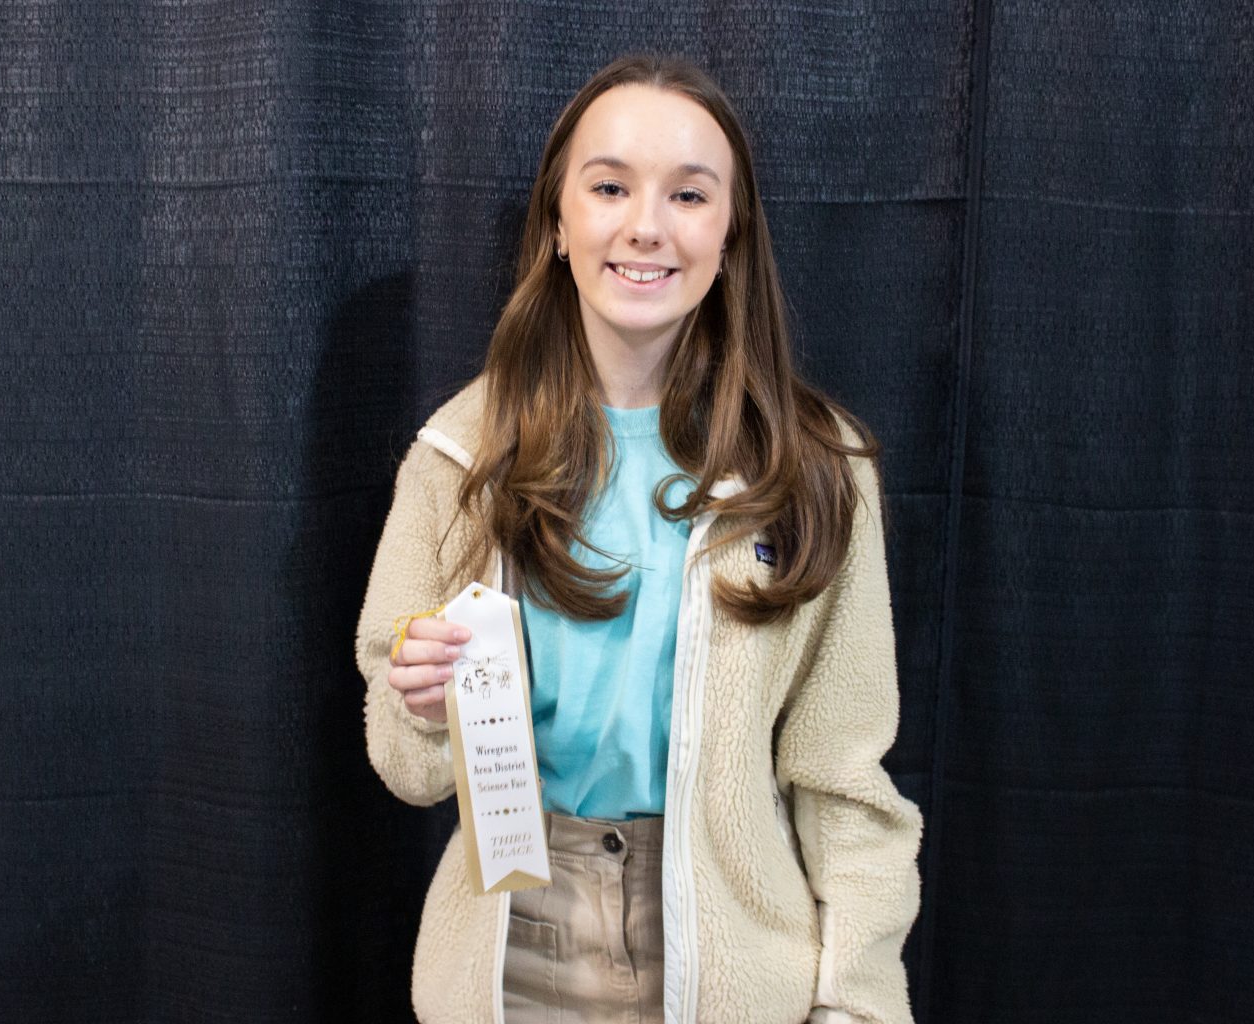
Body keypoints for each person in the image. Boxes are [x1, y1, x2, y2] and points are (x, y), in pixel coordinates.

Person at [355, 52, 922, 1024]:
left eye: (689, 195)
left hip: (734, 971)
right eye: (610, 186)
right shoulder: (459, 458)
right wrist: (419, 703)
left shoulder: (817, 472)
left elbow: (846, 790)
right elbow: (410, 772)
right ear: (558, 222)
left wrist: (856, 1006)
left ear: (731, 233)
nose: (646, 226)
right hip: (510, 960)